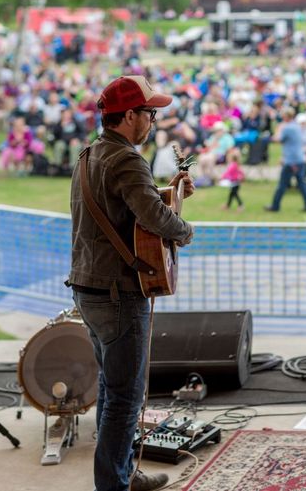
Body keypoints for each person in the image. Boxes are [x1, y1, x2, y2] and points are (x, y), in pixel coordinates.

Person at [67, 76, 194, 491]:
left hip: (89, 288)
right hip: (119, 294)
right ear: (128, 116)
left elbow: (127, 203)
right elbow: (155, 220)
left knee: (111, 388)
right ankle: (114, 485)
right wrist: (185, 229)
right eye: (149, 113)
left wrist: (170, 192)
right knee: (124, 400)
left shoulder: (91, 154)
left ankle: (120, 473)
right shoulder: (127, 160)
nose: (153, 121)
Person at [266, 108, 306, 212]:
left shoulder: (288, 128)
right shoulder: (296, 127)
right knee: (301, 183)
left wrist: (278, 128)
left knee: (282, 184)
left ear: (286, 117)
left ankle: (275, 206)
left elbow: (277, 139)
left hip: (291, 160)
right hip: (298, 158)